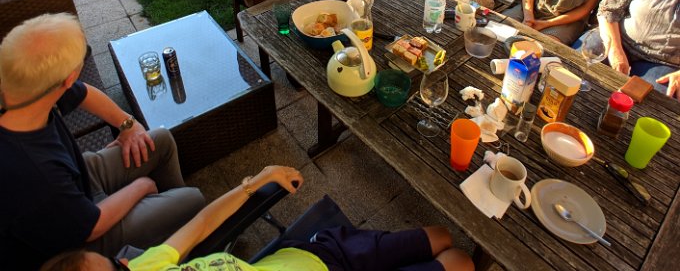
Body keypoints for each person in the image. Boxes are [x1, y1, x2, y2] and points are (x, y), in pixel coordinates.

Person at [0, 13, 205, 271]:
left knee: (160, 140)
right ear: (68, 78)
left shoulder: (24, 89)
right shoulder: (33, 172)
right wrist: (142, 186)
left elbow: (84, 92)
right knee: (193, 199)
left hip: (77, 178)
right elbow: (92, 226)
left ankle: (172, 230)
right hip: (76, 247)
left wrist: (127, 124)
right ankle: (184, 230)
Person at [41, 165, 475, 271]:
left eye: (119, 264)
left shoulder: (145, 267)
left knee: (440, 236)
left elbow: (202, 224)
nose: (127, 262)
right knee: (461, 262)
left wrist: (257, 180)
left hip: (317, 256)